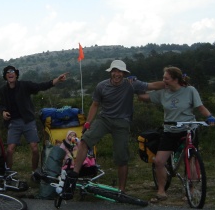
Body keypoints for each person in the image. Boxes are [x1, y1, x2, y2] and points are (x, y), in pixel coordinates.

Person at [65, 60, 165, 197]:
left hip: (122, 122)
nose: (117, 74)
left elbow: (152, 85)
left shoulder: (131, 83)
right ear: (111, 72)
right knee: (84, 141)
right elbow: (95, 105)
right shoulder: (102, 86)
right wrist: (88, 123)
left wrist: (173, 83)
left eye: (120, 72)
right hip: (104, 119)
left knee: (121, 157)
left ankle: (121, 191)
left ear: (124, 73)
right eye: (115, 71)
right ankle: (74, 175)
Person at [137, 66, 215, 203]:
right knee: (159, 161)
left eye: (166, 78)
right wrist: (137, 86)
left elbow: (200, 107)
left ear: (175, 79)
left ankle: (190, 190)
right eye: (163, 78)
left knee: (191, 159)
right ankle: (161, 190)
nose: (164, 81)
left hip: (188, 128)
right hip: (170, 130)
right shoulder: (163, 92)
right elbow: (143, 97)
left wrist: (210, 117)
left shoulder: (190, 90)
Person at [0, 65, 67, 180]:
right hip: (13, 122)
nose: (10, 74)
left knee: (34, 148)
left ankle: (34, 172)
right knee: (10, 149)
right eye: (8, 72)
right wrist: (3, 112)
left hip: (28, 121)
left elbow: (41, 86)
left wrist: (57, 80)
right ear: (5, 76)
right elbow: (1, 105)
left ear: (16, 74)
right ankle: (8, 173)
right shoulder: (3, 90)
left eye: (12, 72)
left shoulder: (24, 85)